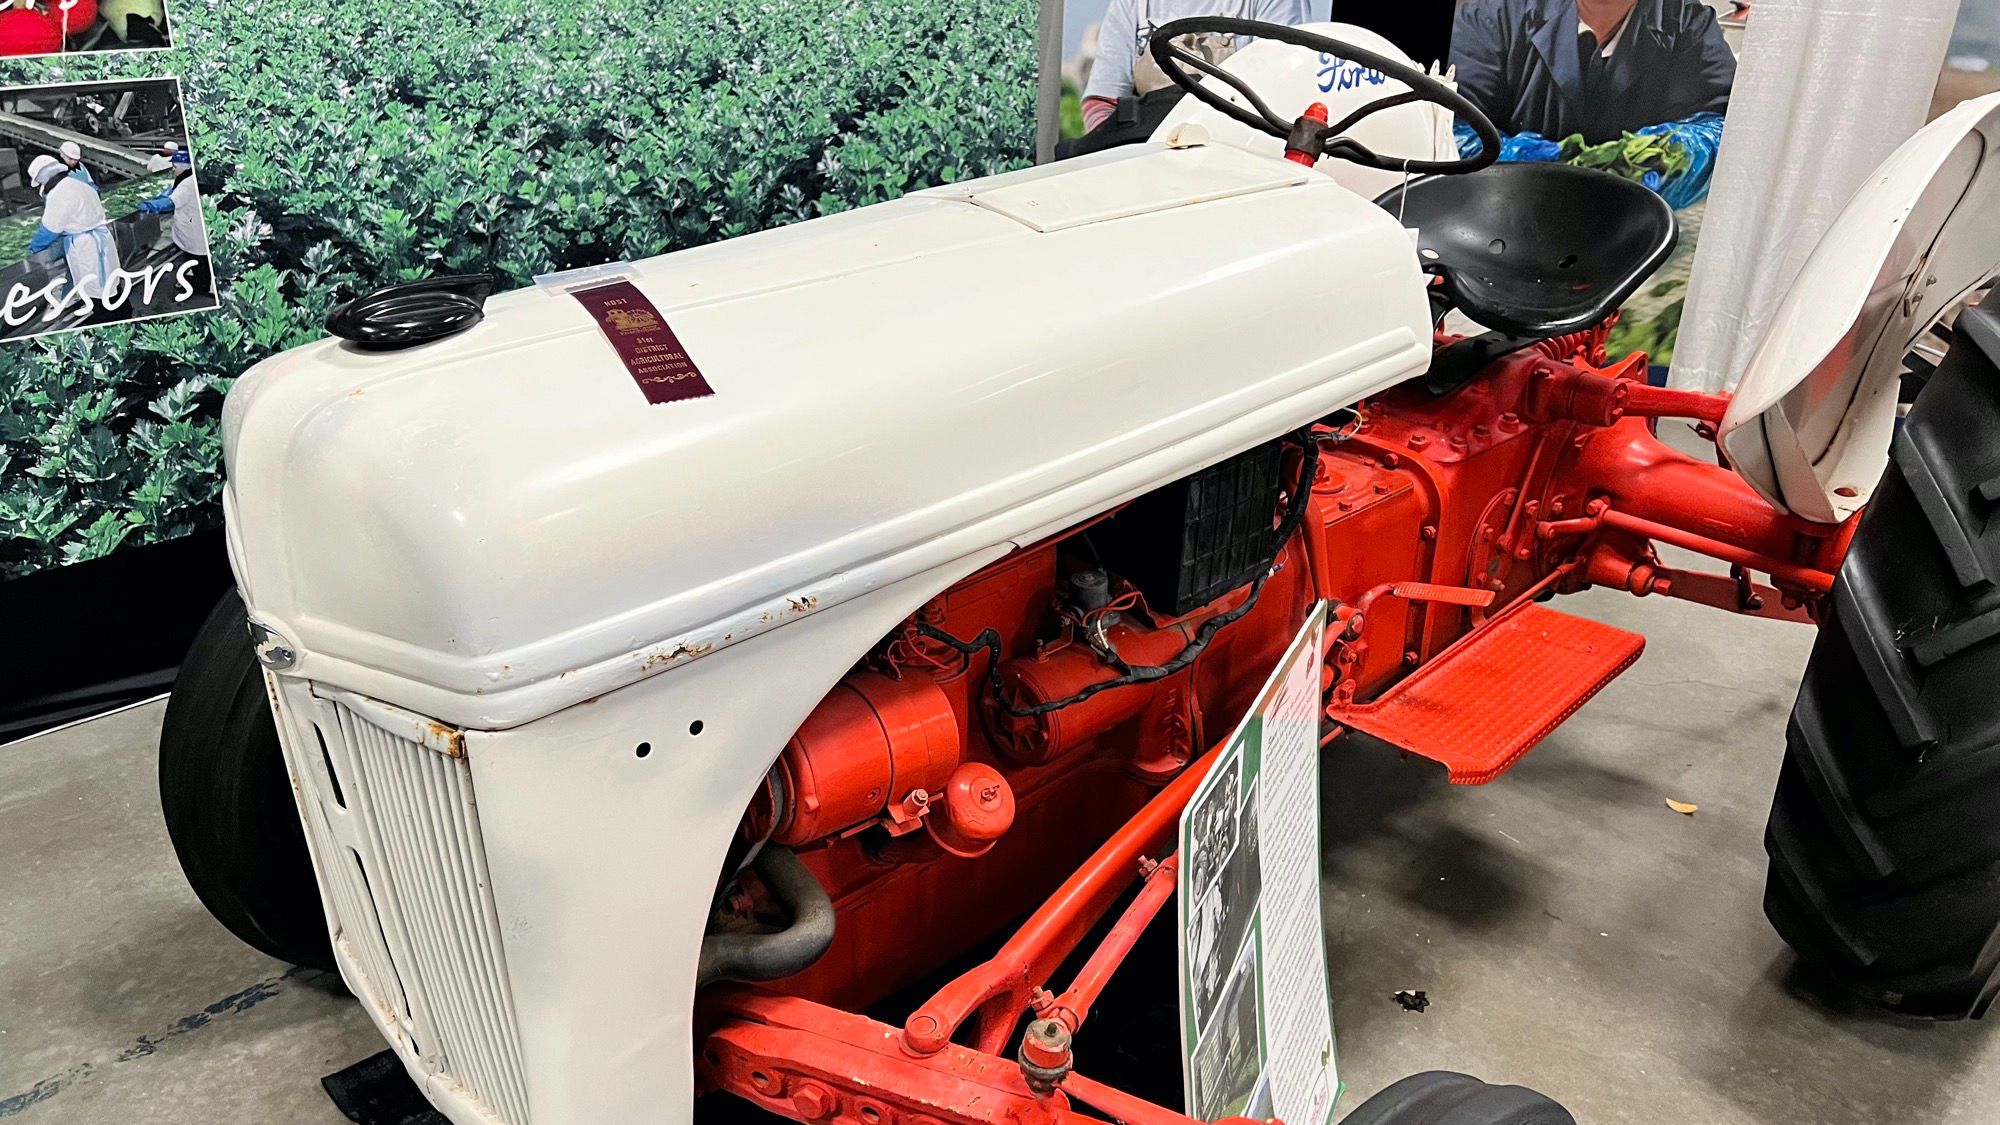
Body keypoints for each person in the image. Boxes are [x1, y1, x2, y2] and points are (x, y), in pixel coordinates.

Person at [1450, 0, 1734, 207]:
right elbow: (1450, 129)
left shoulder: (1689, 25)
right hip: (1501, 223)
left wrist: (1666, 158)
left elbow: (1723, 128)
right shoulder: (1492, 16)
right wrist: (1531, 167)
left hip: (1637, 239)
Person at [1064, 0, 1308, 156]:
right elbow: (1102, 101)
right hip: (1145, 157)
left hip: (1234, 156)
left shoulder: (1275, 3)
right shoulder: (1131, 4)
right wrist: (1124, 158)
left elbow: (1277, 94)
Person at [25, 153, 121, 310]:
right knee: (110, 283)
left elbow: (49, 229)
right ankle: (122, 315)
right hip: (102, 237)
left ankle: (106, 321)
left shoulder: (58, 193)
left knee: (96, 289)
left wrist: (33, 248)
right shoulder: (78, 184)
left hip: (86, 246)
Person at [136, 147, 209, 292]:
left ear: (183, 167)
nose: (173, 169)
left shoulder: (188, 184)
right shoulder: (185, 177)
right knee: (196, 259)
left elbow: (171, 202)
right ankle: (199, 280)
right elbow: (172, 191)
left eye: (175, 166)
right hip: (190, 224)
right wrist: (159, 197)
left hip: (193, 229)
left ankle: (200, 286)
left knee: (199, 260)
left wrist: (149, 205)